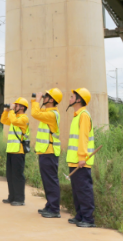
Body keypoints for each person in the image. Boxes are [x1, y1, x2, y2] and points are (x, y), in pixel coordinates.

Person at [66, 88, 96, 228]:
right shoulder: (77, 115)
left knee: (83, 189)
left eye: (72, 97)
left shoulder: (83, 115)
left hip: (81, 161)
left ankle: (88, 219)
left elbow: (83, 138)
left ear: (79, 99)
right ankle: (80, 216)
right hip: (74, 160)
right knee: (77, 189)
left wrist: (82, 157)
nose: (70, 99)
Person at [31, 89, 62, 218]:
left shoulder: (52, 114)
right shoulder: (48, 112)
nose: (44, 97)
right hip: (45, 151)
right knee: (47, 180)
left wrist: (36, 101)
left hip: (49, 152)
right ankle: (50, 205)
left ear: (52, 100)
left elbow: (35, 113)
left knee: (51, 181)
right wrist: (35, 101)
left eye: (47, 96)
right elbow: (37, 112)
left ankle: (54, 209)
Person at [0, 98, 30, 206]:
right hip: (11, 150)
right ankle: (12, 197)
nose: (14, 106)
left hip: (19, 151)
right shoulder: (15, 118)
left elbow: (13, 121)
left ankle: (20, 199)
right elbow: (3, 120)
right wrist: (7, 110)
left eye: (16, 105)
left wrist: (11, 111)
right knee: (10, 175)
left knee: (17, 176)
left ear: (22, 107)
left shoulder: (23, 118)